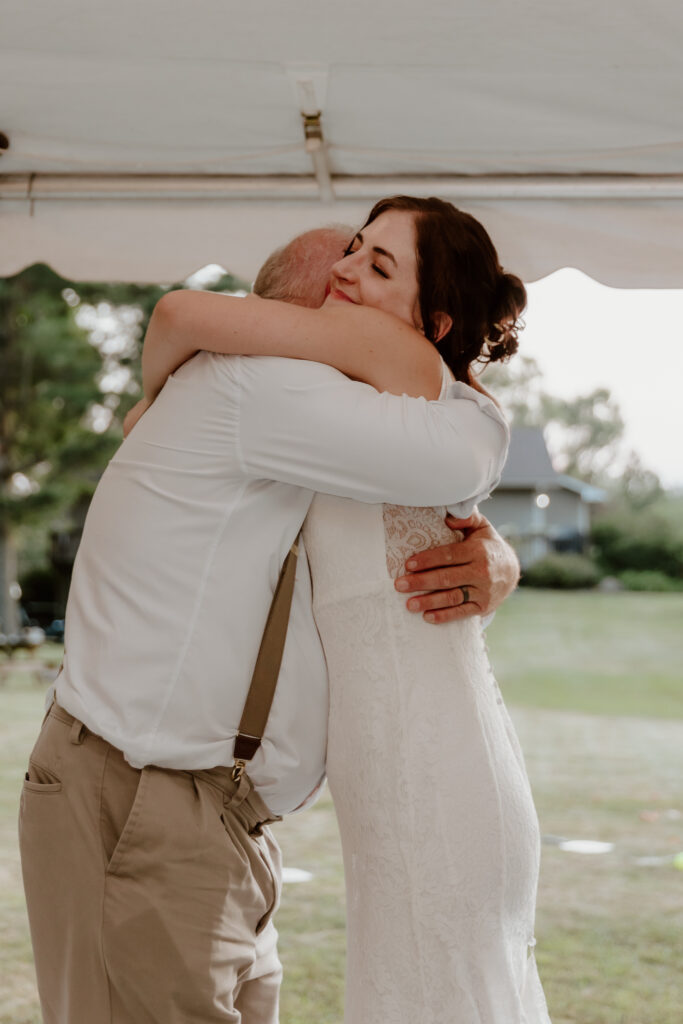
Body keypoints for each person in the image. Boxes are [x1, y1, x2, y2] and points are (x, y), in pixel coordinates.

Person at [18, 215, 518, 1023]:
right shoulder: (268, 387)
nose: (352, 274)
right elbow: (466, 455)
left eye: (373, 262)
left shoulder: (301, 424)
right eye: (347, 263)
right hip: (145, 804)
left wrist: (496, 559)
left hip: (208, 819)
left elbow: (397, 518)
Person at [140, 196, 551, 1023]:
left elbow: (182, 313)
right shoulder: (366, 406)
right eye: (355, 248)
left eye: (377, 265)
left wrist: (152, 404)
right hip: (405, 763)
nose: (345, 271)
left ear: (430, 322)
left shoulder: (389, 358)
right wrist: (495, 557)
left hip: (429, 769)